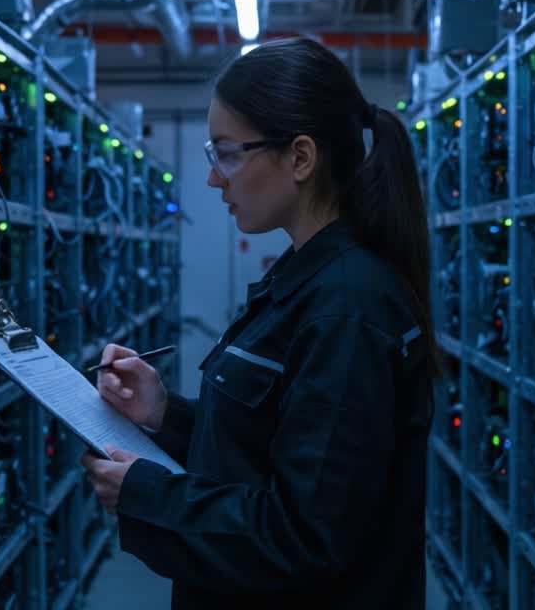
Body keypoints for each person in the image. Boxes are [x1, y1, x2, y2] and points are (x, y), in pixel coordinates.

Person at [80, 37, 439, 609]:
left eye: (227, 154)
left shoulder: (347, 307)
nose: (213, 179)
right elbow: (267, 446)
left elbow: (304, 535)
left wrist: (148, 495)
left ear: (300, 157)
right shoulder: (304, 281)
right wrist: (162, 414)